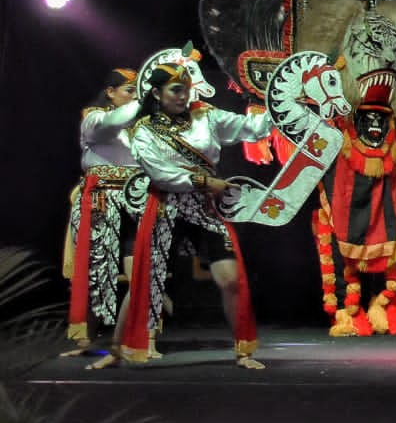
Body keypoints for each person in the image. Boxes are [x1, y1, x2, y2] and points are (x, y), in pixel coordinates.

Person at [99, 58, 274, 370]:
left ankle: (243, 352)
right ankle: (116, 349)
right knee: (145, 278)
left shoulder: (206, 117)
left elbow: (252, 128)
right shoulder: (144, 131)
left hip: (205, 207)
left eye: (186, 90)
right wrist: (205, 180)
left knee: (230, 279)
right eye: (176, 90)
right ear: (156, 94)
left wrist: (280, 104)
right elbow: (160, 174)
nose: (183, 96)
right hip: (167, 206)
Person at [63, 68, 144, 355]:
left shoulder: (141, 126)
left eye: (138, 90)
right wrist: (145, 96)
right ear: (110, 92)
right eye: (129, 90)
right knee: (97, 270)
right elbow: (114, 122)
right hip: (102, 200)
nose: (135, 96)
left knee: (140, 272)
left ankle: (134, 338)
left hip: (135, 202)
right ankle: (86, 339)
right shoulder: (95, 118)